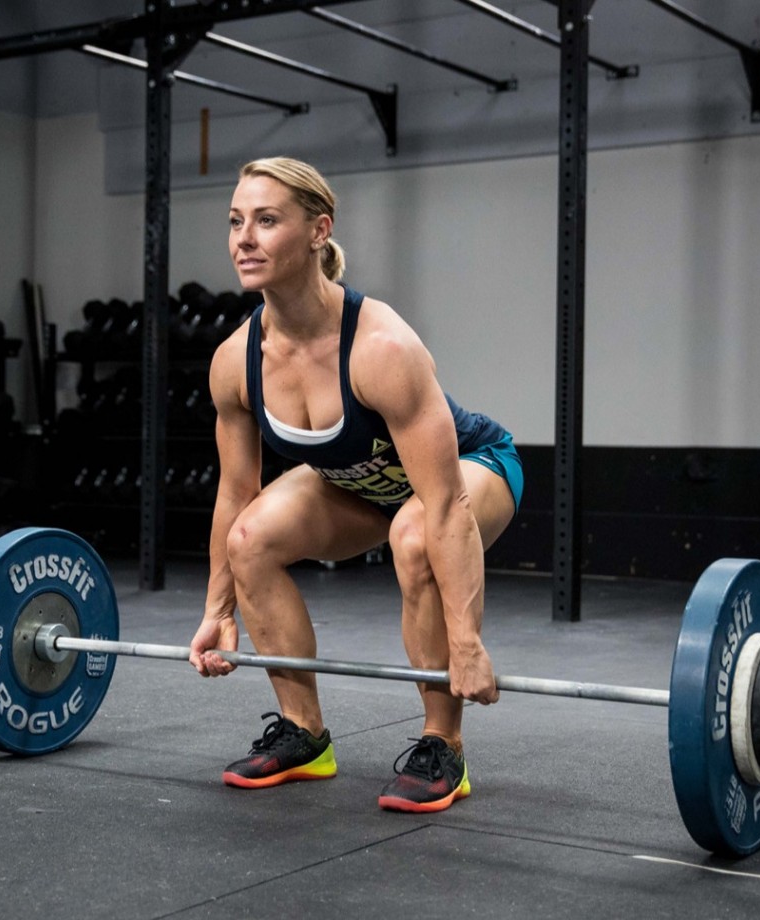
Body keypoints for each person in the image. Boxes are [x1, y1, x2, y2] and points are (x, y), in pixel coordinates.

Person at [187, 157, 524, 814]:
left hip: (473, 471)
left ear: (319, 231)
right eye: (235, 222)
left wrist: (467, 643)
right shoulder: (234, 362)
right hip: (363, 485)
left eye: (265, 220)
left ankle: (443, 745)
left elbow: (446, 505)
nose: (243, 239)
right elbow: (234, 495)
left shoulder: (382, 348)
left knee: (414, 535)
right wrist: (217, 613)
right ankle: (304, 735)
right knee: (250, 537)